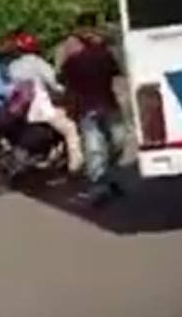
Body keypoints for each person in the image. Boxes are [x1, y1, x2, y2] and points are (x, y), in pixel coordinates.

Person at [60, 14, 126, 204]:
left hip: (106, 102)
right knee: (95, 146)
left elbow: (117, 70)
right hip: (87, 105)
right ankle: (99, 185)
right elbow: (63, 78)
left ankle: (107, 178)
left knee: (117, 141)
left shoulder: (105, 52)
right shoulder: (70, 52)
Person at [7, 33, 84, 174]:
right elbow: (54, 85)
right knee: (70, 128)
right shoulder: (39, 64)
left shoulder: (13, 66)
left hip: (21, 110)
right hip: (41, 110)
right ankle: (75, 166)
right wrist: (66, 91)